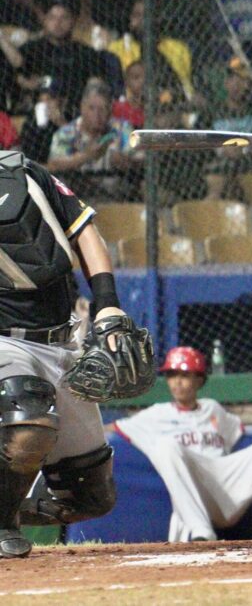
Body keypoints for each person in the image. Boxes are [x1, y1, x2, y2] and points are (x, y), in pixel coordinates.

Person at [0, 150, 141, 558]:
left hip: (63, 339)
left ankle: (7, 505)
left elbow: (84, 231)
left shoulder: (22, 170)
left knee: (88, 495)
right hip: (7, 341)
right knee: (28, 421)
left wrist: (108, 303)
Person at [109, 346, 252, 542]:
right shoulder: (156, 414)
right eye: (172, 374)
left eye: (184, 374)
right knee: (166, 446)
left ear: (199, 380)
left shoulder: (212, 409)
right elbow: (113, 428)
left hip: (228, 484)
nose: (177, 381)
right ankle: (201, 532)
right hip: (196, 491)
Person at [47, 80, 136, 201]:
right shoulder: (66, 133)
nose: (97, 115)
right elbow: (54, 164)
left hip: (117, 198)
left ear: (110, 109)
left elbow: (138, 159)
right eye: (91, 108)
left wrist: (121, 160)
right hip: (77, 199)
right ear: (82, 107)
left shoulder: (122, 129)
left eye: (102, 109)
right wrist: (87, 156)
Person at [196, 57, 252, 199]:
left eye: (242, 80)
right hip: (221, 166)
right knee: (219, 176)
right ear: (225, 83)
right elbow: (199, 144)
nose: (237, 85)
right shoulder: (211, 112)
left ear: (250, 85)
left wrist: (244, 149)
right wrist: (220, 150)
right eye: (232, 79)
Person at [15, 1, 107, 113]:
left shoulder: (85, 52)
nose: (58, 23)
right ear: (44, 20)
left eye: (64, 18)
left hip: (76, 111)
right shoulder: (30, 49)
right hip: (38, 111)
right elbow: (18, 77)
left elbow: (96, 84)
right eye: (52, 18)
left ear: (73, 21)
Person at [107, 0, 194, 100]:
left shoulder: (178, 48)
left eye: (148, 15)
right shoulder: (116, 49)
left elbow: (187, 85)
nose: (143, 20)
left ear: (157, 18)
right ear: (130, 20)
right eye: (137, 15)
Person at [17, 78, 68, 164]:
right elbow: (29, 160)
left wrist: (61, 123)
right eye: (41, 100)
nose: (45, 103)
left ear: (63, 101)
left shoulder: (71, 119)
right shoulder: (31, 124)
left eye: (50, 99)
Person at [111, 59, 144, 128]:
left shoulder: (154, 109)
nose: (142, 81)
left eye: (145, 77)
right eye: (136, 77)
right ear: (127, 82)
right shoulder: (119, 108)